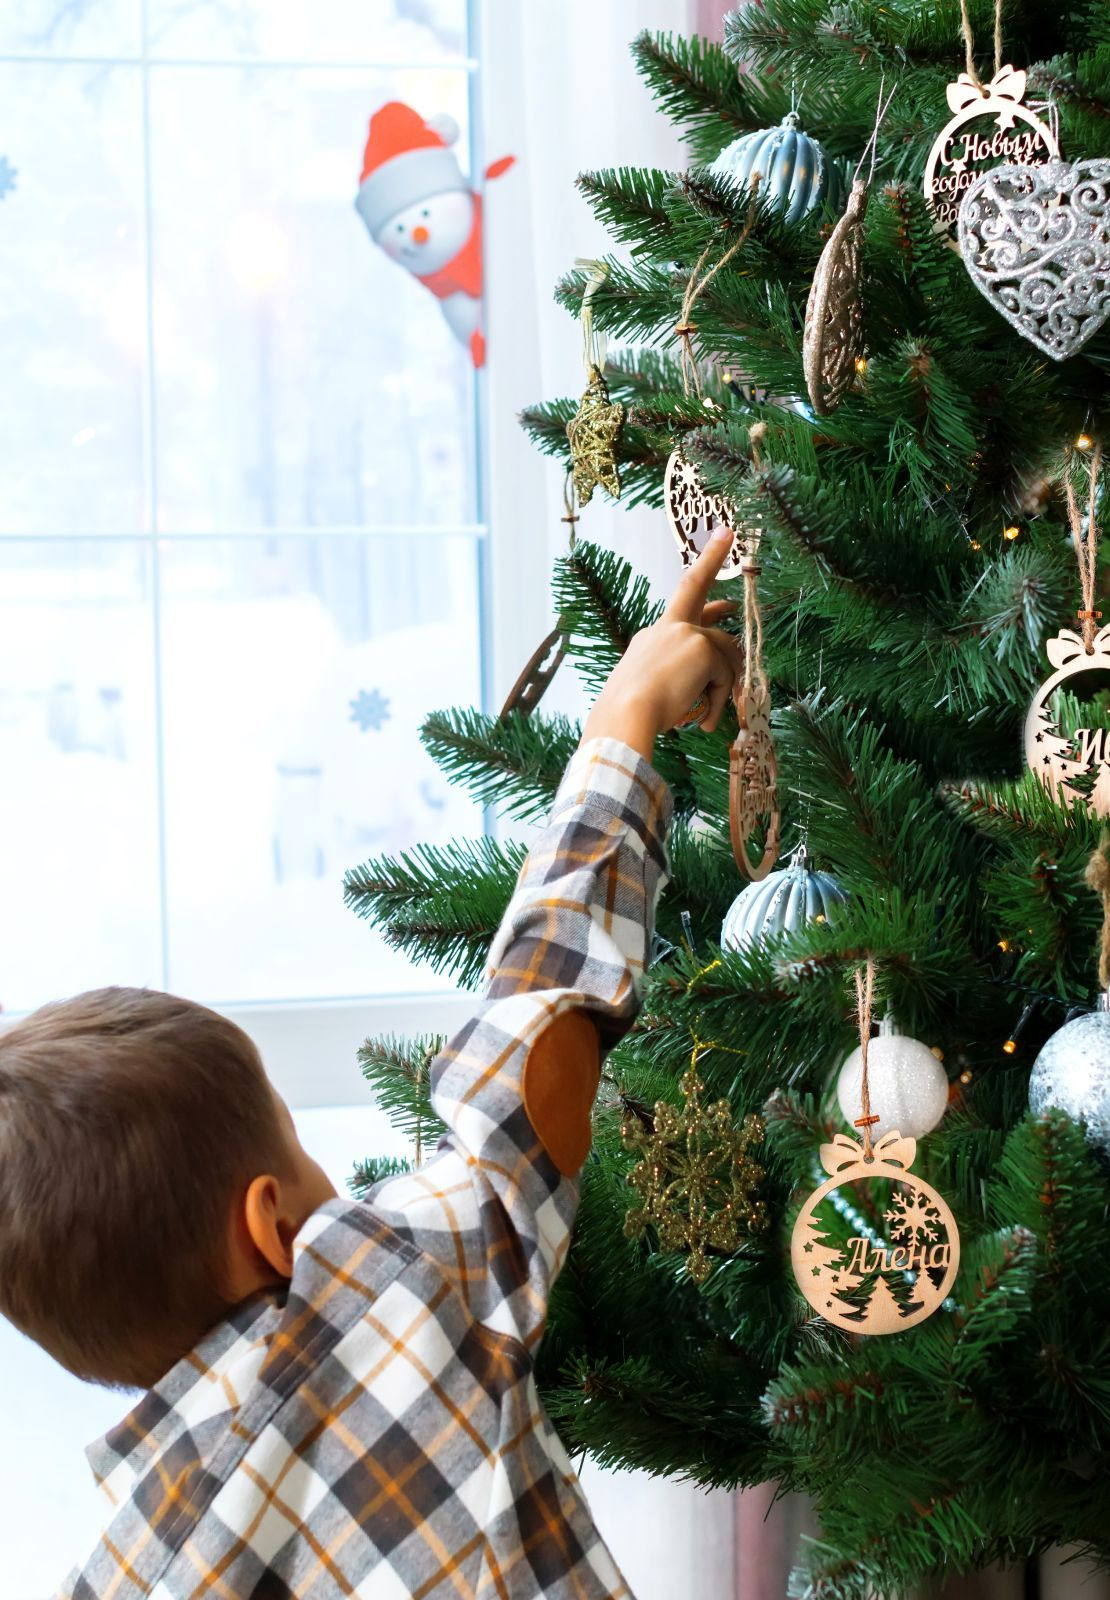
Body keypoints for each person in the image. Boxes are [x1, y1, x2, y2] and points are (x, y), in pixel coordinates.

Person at [0, 531, 741, 1600]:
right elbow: (530, 1045)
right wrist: (624, 725)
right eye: (300, 1152)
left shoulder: (129, 1569)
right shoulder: (378, 1296)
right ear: (272, 1227)